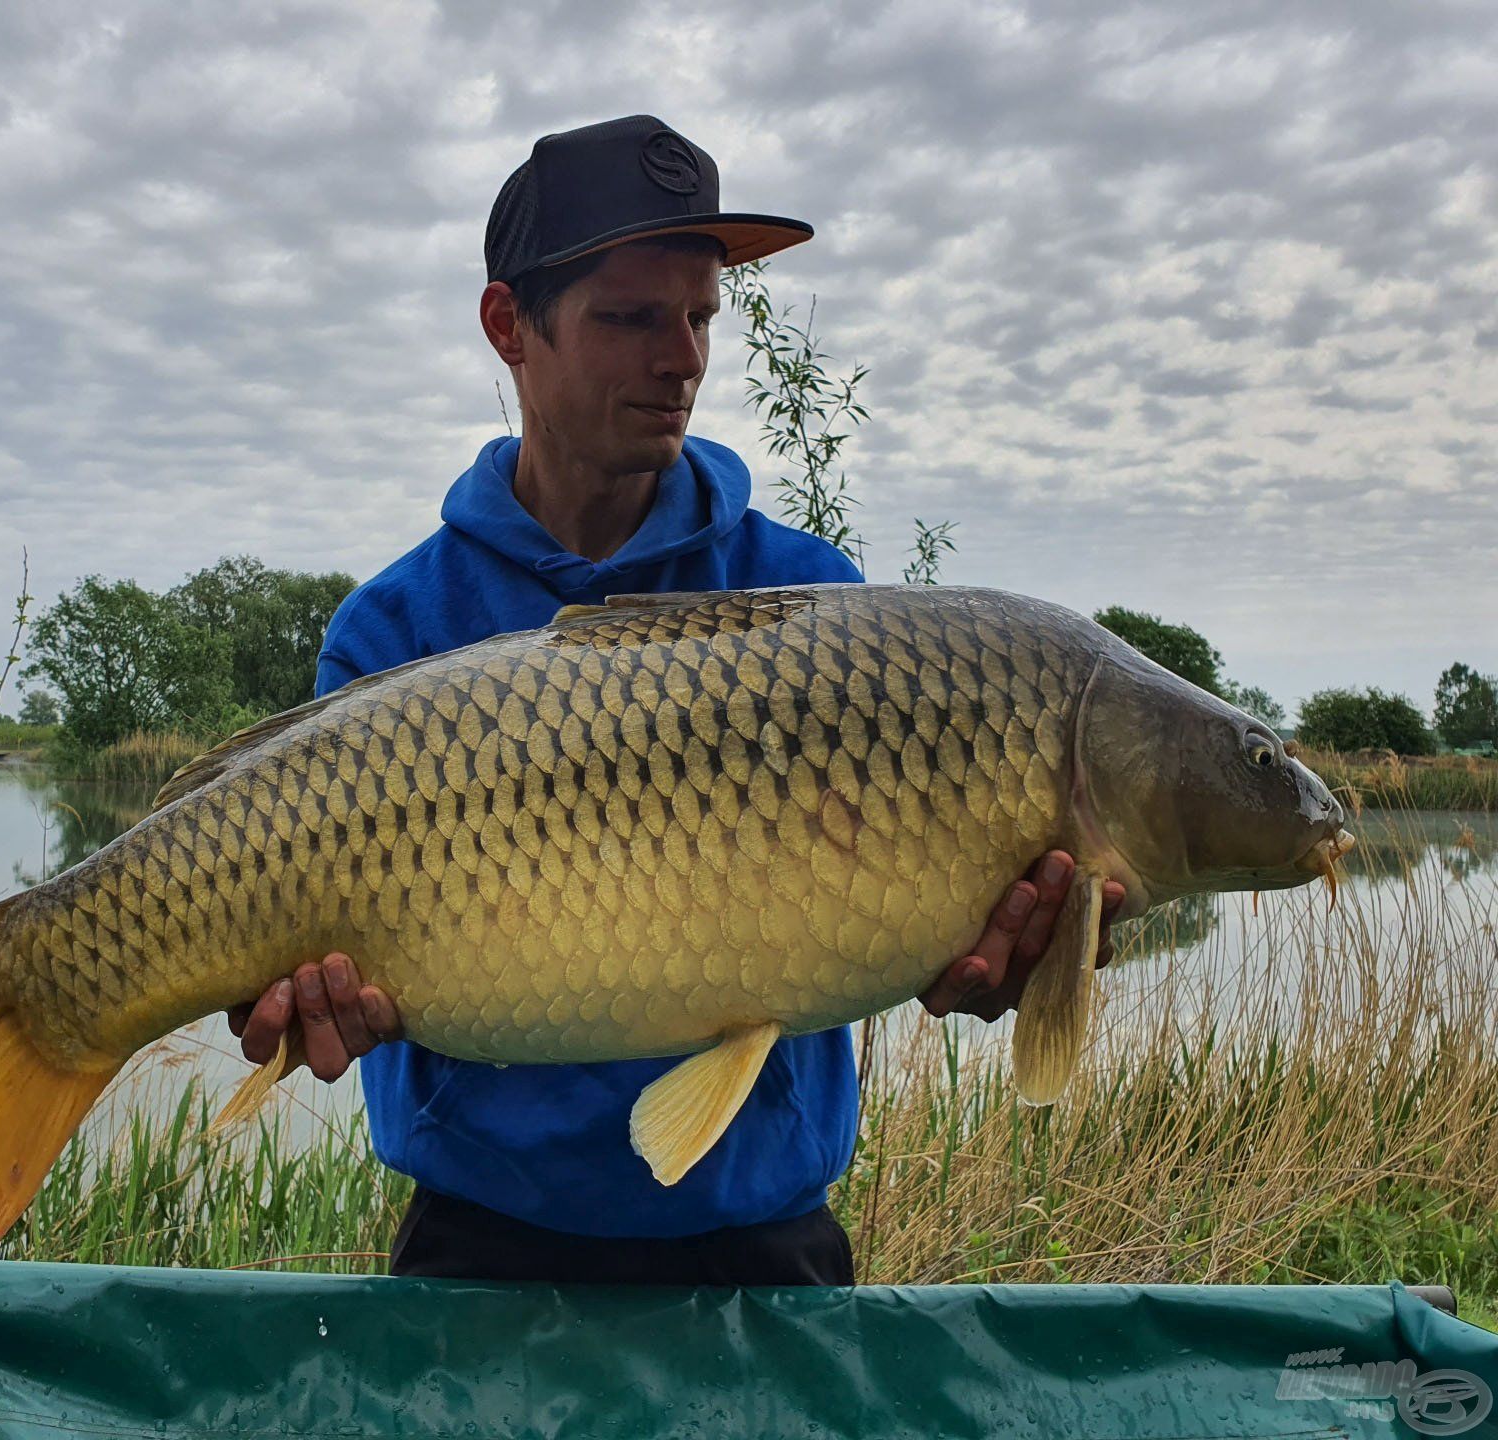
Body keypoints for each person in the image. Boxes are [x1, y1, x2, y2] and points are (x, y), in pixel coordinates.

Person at [228, 115, 1124, 1286]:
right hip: (479, 1247)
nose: (683, 357)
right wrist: (285, 1000)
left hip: (762, 1238)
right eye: (631, 317)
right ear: (510, 326)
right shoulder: (393, 633)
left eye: (700, 317)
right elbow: (287, 972)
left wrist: (1011, 950)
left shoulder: (815, 602)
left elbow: (906, 909)